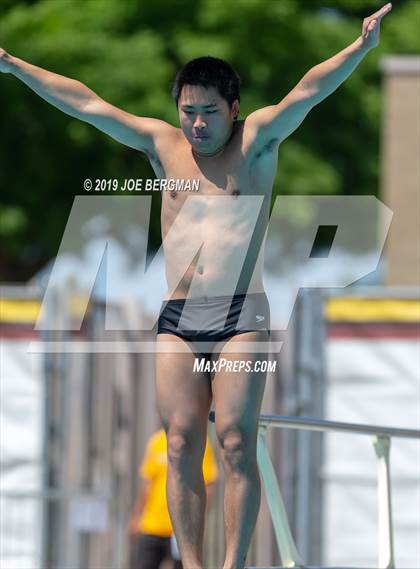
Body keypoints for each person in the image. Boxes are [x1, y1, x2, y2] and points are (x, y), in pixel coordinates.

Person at [0, 4, 392, 567]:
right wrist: (13, 65)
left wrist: (359, 49)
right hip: (178, 319)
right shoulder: (162, 145)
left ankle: (232, 563)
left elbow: (307, 91)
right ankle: (194, 563)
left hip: (242, 318)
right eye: (189, 112)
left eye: (210, 112)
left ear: (234, 109)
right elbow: (86, 103)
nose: (198, 124)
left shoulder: (256, 143)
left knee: (234, 440)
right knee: (181, 443)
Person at [129, 428, 218, 569]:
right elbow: (147, 485)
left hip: (181, 530)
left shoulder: (201, 442)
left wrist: (197, 522)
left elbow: (208, 486)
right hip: (152, 526)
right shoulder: (156, 442)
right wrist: (136, 516)